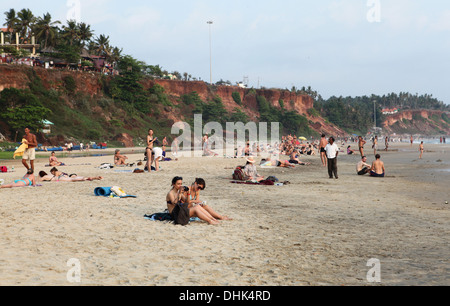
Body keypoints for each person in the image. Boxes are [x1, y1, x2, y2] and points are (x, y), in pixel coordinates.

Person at [39, 168, 103, 182]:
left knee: (73, 179)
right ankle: (94, 177)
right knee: (75, 178)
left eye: (52, 172)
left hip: (62, 177)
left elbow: (39, 180)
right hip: (66, 175)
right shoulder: (57, 172)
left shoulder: (55, 173)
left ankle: (91, 178)